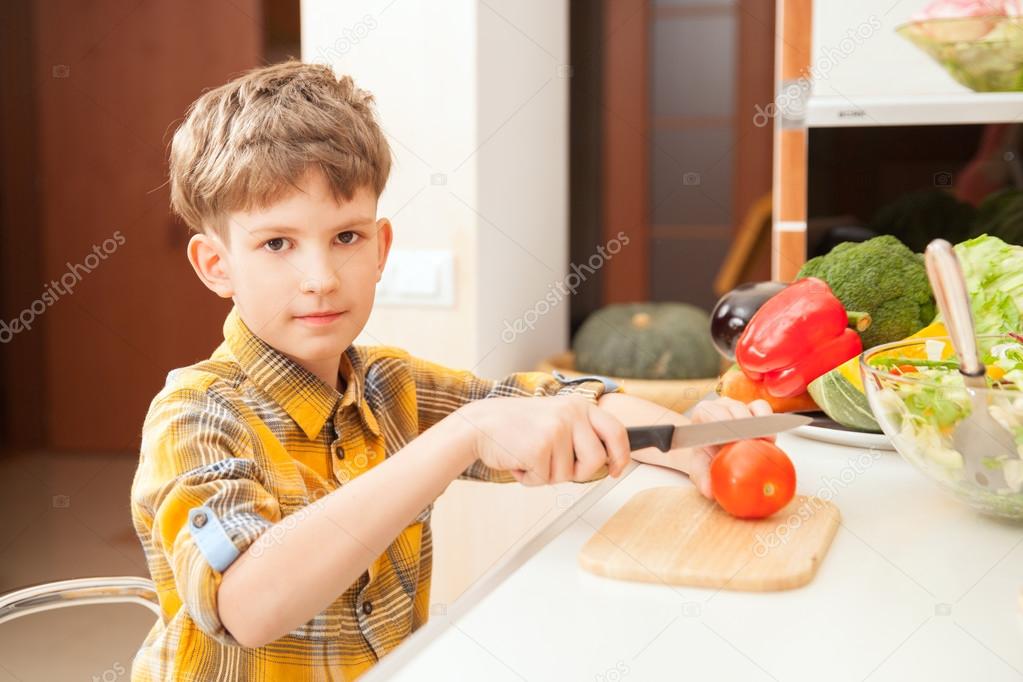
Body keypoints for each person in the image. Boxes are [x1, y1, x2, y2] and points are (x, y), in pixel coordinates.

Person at [129, 60, 773, 681]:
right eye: (277, 244)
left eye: (345, 237)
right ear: (216, 265)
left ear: (381, 248)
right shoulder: (195, 415)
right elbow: (246, 606)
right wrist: (462, 434)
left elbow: (560, 400)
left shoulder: (390, 386)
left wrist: (695, 448)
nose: (320, 278)